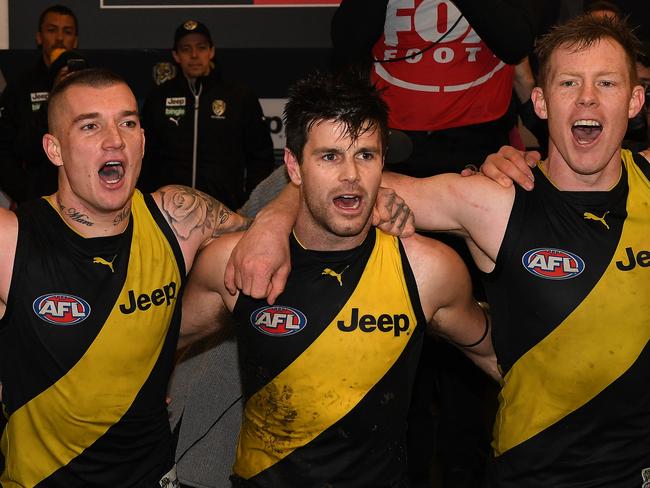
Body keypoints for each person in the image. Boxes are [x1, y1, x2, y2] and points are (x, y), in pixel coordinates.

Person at [230, 14, 650, 487]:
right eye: (569, 82)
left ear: (635, 100)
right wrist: (272, 219)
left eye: (607, 82)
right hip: (534, 472)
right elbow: (345, 181)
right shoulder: (494, 201)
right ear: (540, 101)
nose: (587, 98)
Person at [180, 71, 499, 487]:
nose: (351, 174)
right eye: (330, 156)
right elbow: (152, 350)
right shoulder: (235, 263)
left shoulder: (428, 270)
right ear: (293, 166)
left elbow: (502, 359)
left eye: (366, 155)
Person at [0, 68, 251, 486]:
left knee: (238, 256)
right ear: (55, 149)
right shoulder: (12, 239)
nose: (114, 139)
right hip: (40, 479)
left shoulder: (177, 216)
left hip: (149, 474)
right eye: (90, 125)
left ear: (142, 141)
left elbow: (272, 240)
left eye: (128, 123)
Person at [140, 19, 275, 211]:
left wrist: (249, 203)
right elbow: (145, 157)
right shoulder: (159, 97)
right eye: (186, 49)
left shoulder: (238, 96)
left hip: (225, 212)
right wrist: (148, 203)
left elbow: (260, 156)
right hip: (168, 213)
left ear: (211, 51)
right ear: (176, 56)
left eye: (201, 47)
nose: (194, 55)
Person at [0, 4, 79, 204]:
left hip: (82, 195)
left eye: (67, 32)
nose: (59, 38)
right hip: (36, 199)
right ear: (39, 37)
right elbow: (14, 149)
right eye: (52, 30)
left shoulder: (89, 83)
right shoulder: (20, 87)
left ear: (75, 41)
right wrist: (27, 195)